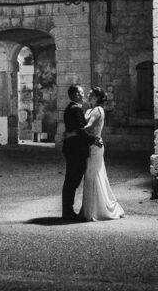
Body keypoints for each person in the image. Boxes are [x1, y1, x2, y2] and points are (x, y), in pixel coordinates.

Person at [80, 87, 124, 222]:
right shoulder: (88, 110)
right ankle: (88, 209)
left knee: (94, 175)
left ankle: (96, 210)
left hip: (95, 145)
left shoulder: (98, 110)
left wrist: (74, 131)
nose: (88, 95)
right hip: (89, 145)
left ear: (97, 97)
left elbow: (89, 125)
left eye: (91, 94)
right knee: (90, 175)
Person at [61, 84, 98, 221]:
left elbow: (76, 130)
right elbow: (81, 131)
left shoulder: (71, 108)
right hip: (76, 150)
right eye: (81, 93)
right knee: (72, 180)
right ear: (76, 94)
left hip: (72, 148)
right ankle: (67, 211)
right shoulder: (75, 109)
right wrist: (94, 140)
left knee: (71, 180)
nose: (83, 95)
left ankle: (67, 210)